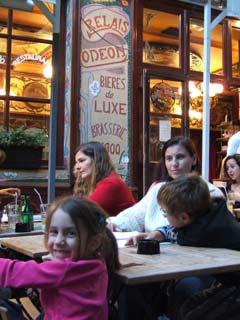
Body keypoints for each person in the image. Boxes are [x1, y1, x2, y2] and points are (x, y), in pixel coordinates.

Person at [0, 196, 120, 320]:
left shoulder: (63, 270)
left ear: (93, 242)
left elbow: (13, 272)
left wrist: (54, 267)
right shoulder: (98, 261)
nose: (59, 241)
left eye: (71, 233)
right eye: (54, 232)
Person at [107, 136, 224, 236]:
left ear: (193, 159)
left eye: (180, 157)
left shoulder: (211, 192)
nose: (174, 164)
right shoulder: (158, 189)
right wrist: (112, 224)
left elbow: (198, 232)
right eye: (169, 158)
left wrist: (160, 234)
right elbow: (134, 216)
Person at [73, 141, 136, 216]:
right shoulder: (87, 183)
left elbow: (81, 212)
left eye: (81, 161)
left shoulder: (111, 183)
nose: (77, 167)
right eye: (76, 162)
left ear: (96, 160)